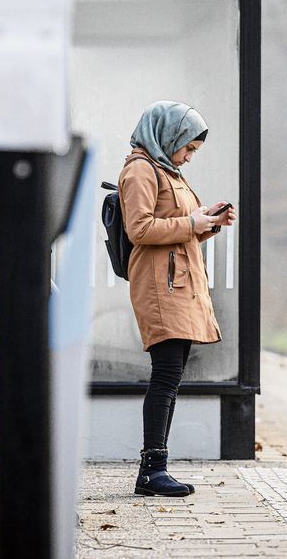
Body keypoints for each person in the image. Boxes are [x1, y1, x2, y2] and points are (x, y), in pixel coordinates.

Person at [118, 100, 236, 497]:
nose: (188, 157)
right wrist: (191, 222)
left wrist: (208, 222)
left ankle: (155, 468)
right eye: (187, 148)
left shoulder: (167, 170)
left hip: (178, 284)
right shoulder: (140, 170)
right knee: (166, 375)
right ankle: (152, 470)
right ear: (168, 136)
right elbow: (139, 229)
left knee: (171, 375)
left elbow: (176, 224)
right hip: (159, 286)